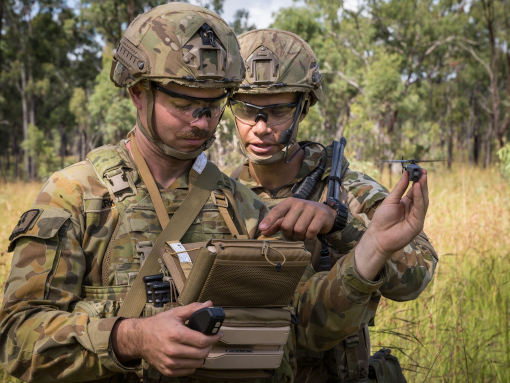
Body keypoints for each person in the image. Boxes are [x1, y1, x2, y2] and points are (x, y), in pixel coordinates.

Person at [0, 5, 341, 383]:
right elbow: (16, 336)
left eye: (215, 105)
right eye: (184, 104)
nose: (203, 120)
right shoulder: (77, 195)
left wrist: (370, 253)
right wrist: (129, 339)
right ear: (137, 93)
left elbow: (301, 328)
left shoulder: (241, 205)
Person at [229, 29, 439, 382]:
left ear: (304, 107)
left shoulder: (346, 187)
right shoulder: (221, 192)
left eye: (278, 110)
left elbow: (416, 278)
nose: (260, 127)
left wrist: (341, 224)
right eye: (245, 109)